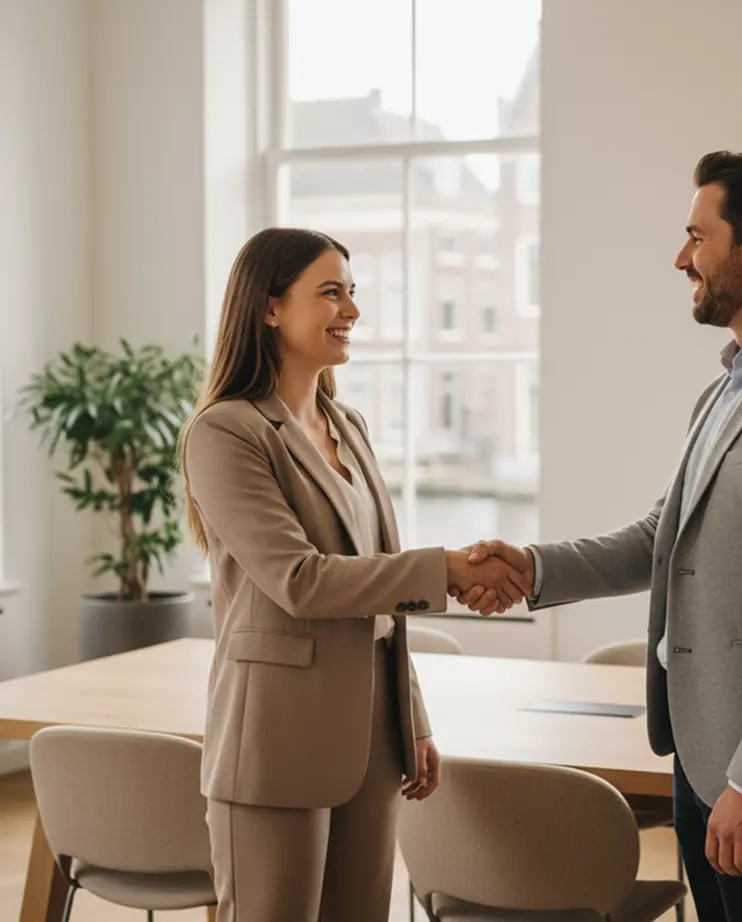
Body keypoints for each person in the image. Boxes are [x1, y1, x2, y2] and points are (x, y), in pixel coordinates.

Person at [459, 150, 742, 922]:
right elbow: (663, 536)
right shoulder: (730, 388)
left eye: (698, 237)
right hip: (706, 759)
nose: (680, 258)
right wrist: (532, 567)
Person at [179, 227, 524, 922]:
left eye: (353, 292)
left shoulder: (349, 426)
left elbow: (381, 595)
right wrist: (445, 569)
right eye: (331, 292)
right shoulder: (226, 432)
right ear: (269, 307)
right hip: (276, 738)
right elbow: (301, 580)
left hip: (372, 736)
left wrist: (411, 719)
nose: (353, 310)